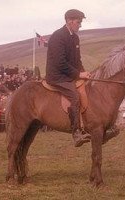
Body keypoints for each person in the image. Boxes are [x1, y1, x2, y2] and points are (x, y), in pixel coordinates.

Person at [45, 9, 91, 147]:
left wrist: (84, 73)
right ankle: (76, 132)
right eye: (78, 22)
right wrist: (78, 74)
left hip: (68, 74)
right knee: (75, 96)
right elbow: (60, 63)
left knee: (89, 88)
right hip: (57, 76)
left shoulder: (75, 37)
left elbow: (77, 60)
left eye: (81, 22)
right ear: (69, 21)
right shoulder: (57, 36)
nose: (80, 25)